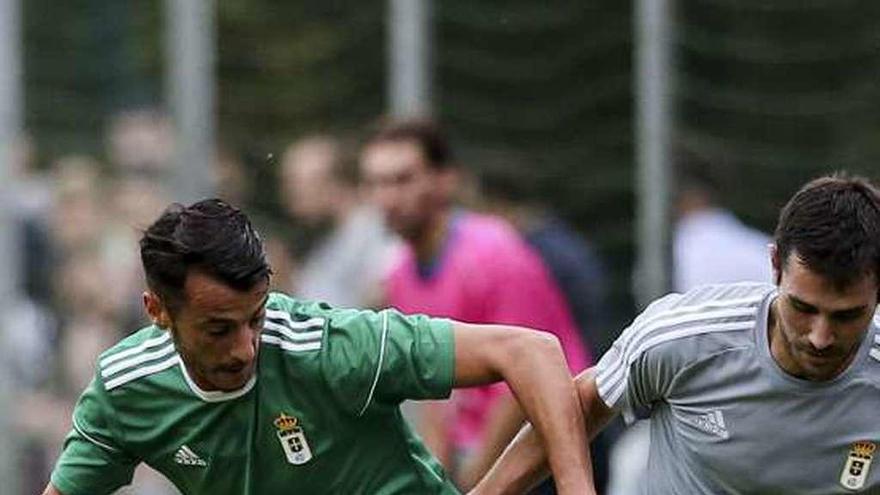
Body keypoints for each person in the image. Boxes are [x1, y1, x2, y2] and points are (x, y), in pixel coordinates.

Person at [42, 199, 591, 495]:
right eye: (218, 329)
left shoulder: (329, 345)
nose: (246, 348)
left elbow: (531, 352)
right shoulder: (125, 390)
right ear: (158, 311)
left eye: (255, 318)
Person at [473, 173, 880, 494]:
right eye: (803, 308)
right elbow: (582, 401)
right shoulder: (683, 337)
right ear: (775, 267)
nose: (821, 336)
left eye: (847, 316)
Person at [359, 118, 591, 490]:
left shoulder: (494, 252)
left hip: (554, 440)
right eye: (375, 183)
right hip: (482, 454)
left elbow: (523, 378)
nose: (386, 198)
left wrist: (474, 481)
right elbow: (434, 386)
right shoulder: (401, 273)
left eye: (402, 180)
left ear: (445, 180)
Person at [280, 134, 393, 308]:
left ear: (331, 183)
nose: (289, 194)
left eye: (295, 182)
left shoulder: (371, 235)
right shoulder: (331, 238)